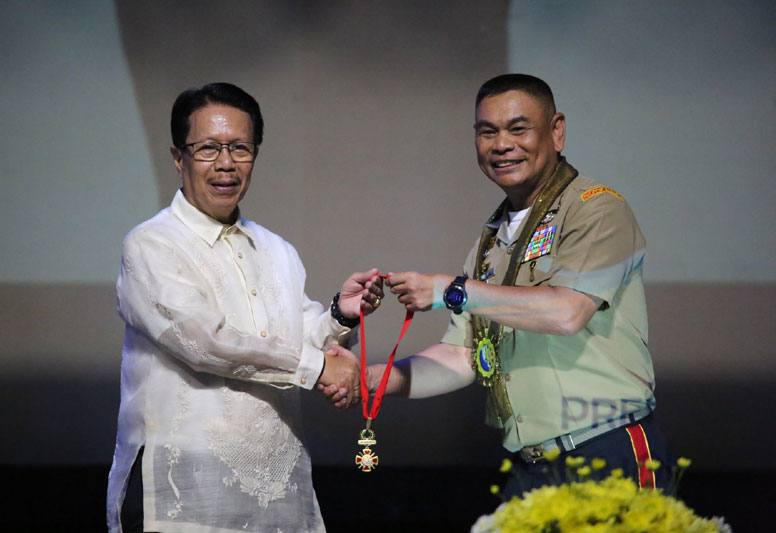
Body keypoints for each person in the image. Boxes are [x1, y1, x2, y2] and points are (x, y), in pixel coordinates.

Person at [332, 74, 670, 496]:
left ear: (557, 131)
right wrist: (372, 379)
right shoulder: (490, 242)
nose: (501, 144)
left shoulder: (596, 209)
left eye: (518, 128)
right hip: (530, 467)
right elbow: (464, 356)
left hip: (607, 448)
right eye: (487, 132)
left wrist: (450, 290)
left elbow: (568, 312)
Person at [106, 82, 383, 532]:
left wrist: (338, 316)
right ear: (178, 158)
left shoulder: (277, 250)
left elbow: (291, 337)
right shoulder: (151, 244)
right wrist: (317, 368)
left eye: (240, 148)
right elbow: (203, 342)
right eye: (208, 148)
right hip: (185, 492)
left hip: (278, 493)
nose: (226, 164)